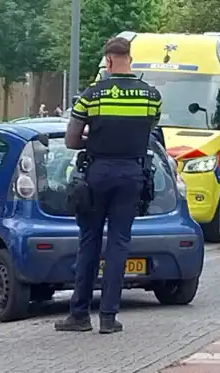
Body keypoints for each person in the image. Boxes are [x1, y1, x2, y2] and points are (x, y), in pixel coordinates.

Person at [54, 36, 162, 335]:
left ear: (109, 60)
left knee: (89, 242)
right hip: (132, 175)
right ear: (129, 57)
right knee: (118, 244)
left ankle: (79, 315)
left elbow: (71, 140)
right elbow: (148, 130)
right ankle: (108, 317)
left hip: (97, 174)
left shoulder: (93, 95)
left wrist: (96, 139)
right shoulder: (150, 96)